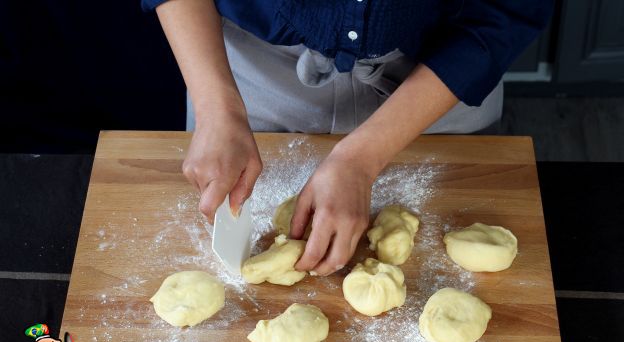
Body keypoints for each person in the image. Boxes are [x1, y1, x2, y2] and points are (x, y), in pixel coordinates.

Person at [143, 0, 553, 276]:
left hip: (442, 74)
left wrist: (360, 159)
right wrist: (218, 109)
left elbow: (509, 7)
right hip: (250, 72)